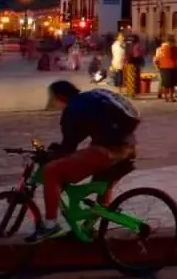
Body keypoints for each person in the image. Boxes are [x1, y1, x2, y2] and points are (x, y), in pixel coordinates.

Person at [25, 80, 140, 243]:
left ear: (60, 96)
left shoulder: (73, 109)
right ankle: (87, 230)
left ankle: (50, 225)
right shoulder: (90, 99)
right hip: (129, 148)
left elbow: (68, 147)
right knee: (102, 185)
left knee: (51, 171)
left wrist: (49, 155)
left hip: (108, 150)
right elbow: (79, 136)